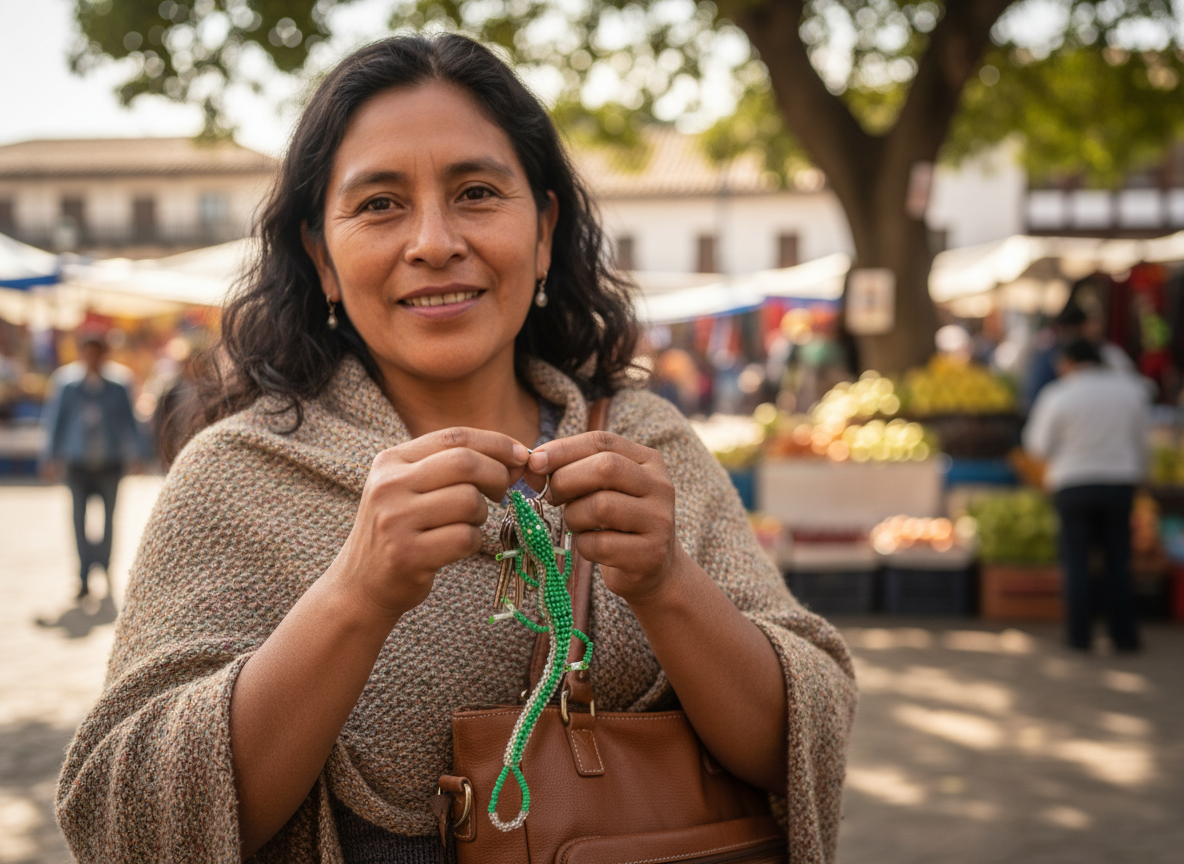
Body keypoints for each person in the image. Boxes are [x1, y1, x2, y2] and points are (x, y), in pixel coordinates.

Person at [55, 34, 856, 863]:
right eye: (380, 204)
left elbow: (805, 738)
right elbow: (124, 817)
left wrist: (669, 583)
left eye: (476, 192)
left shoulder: (646, 444)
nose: (434, 242)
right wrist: (355, 594)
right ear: (320, 256)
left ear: (543, 231)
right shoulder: (235, 477)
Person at [1023, 337, 1150, 653]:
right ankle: (1124, 636)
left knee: (1076, 562)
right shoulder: (1130, 391)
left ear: (1068, 362)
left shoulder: (1058, 394)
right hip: (1120, 482)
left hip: (1073, 484)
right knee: (1118, 561)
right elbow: (1142, 441)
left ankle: (1079, 635)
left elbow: (1037, 446)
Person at [40, 329, 144, 600]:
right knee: (79, 521)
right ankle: (84, 574)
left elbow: (130, 422)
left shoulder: (118, 385)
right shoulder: (67, 384)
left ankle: (105, 567)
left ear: (104, 355)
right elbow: (55, 422)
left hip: (110, 463)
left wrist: (138, 454)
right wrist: (50, 457)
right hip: (77, 464)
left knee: (109, 521)